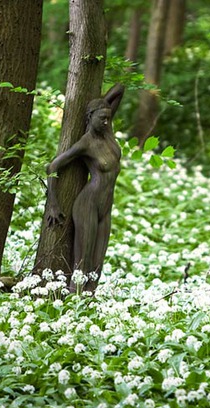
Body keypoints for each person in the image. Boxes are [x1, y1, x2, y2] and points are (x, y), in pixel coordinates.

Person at [45, 84, 125, 292]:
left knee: (98, 261)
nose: (107, 121)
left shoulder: (108, 133)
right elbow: (53, 166)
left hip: (106, 206)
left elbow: (120, 88)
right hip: (87, 204)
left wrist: (102, 105)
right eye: (102, 118)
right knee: (84, 259)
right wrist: (52, 203)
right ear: (90, 118)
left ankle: (88, 303)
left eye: (108, 117)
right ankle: (74, 298)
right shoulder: (85, 143)